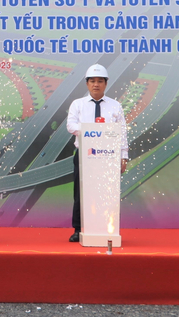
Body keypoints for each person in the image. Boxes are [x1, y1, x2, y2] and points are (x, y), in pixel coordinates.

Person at [66, 64, 128, 242]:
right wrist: (92, 130)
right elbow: (71, 125)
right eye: (92, 81)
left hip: (108, 155)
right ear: (86, 84)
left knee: (106, 192)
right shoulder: (78, 104)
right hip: (84, 155)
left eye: (100, 81)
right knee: (80, 193)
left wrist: (123, 156)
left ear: (106, 83)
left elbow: (122, 132)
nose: (96, 84)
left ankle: (105, 227)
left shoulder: (115, 106)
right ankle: (78, 229)